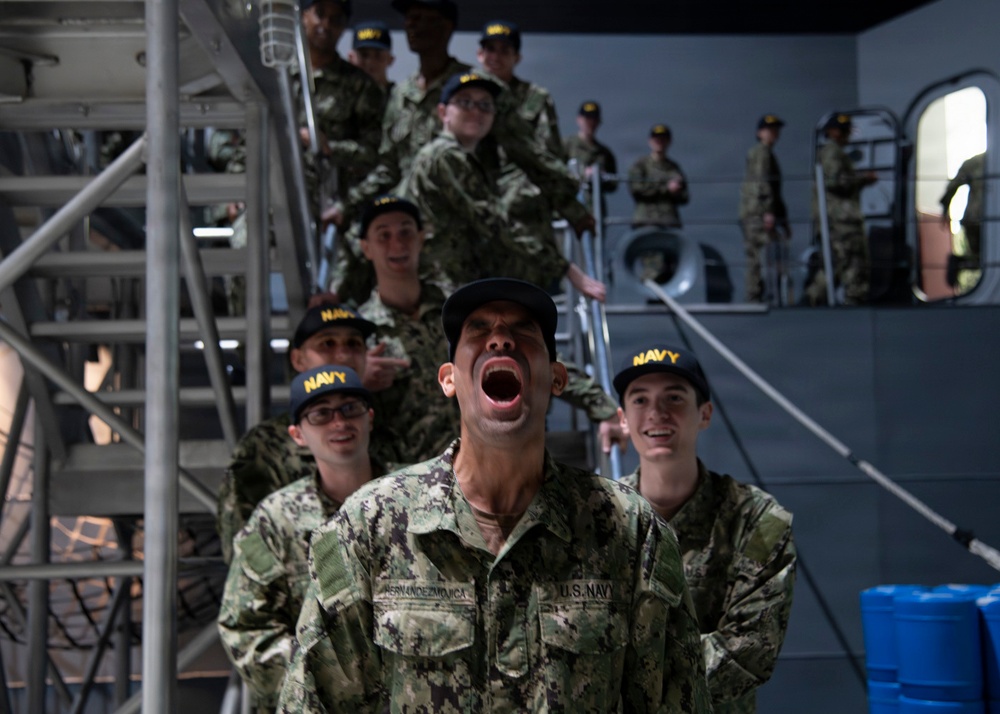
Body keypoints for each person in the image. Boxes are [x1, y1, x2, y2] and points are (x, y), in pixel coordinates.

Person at [278, 278, 713, 712]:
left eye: (524, 331)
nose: (501, 338)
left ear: (558, 378)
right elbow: (314, 701)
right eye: (479, 330)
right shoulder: (370, 525)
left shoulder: (632, 532)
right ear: (448, 380)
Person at [328, 0, 594, 304]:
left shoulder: (475, 91)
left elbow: (530, 156)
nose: (414, 26)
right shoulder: (401, 95)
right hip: (413, 236)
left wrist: (574, 211)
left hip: (464, 240)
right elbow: (388, 168)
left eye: (424, 19)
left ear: (446, 27)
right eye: (410, 19)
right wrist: (346, 207)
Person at [613, 343, 797, 713]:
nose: (656, 413)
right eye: (640, 400)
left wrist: (622, 672)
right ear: (622, 418)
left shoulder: (756, 520)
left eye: (675, 398)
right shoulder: (597, 517)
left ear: (705, 413)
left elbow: (748, 653)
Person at [218, 365, 384, 712]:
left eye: (350, 408)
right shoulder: (276, 519)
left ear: (369, 417)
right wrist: (326, 680)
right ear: (297, 434)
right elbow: (244, 628)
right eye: (321, 414)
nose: (339, 423)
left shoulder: (419, 496)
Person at [215, 303, 403, 562]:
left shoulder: (386, 434)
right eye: (327, 344)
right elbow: (246, 552)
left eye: (353, 344)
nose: (343, 355)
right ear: (298, 359)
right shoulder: (264, 447)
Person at [355, 194, 460, 464]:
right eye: (383, 235)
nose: (397, 243)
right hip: (410, 481)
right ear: (366, 248)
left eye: (405, 232)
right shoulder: (358, 333)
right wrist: (356, 380)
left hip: (480, 466)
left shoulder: (458, 309)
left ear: (421, 238)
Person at [294, 0, 384, 216]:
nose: (326, 24)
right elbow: (248, 140)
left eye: (336, 19)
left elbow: (375, 154)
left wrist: (329, 147)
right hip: (275, 197)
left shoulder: (360, 85)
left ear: (344, 26)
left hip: (331, 211)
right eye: (320, 14)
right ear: (304, 15)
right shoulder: (277, 76)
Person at [808, 112, 877, 305]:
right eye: (842, 130)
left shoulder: (834, 152)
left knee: (837, 263)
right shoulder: (832, 152)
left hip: (839, 220)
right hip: (841, 221)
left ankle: (814, 301)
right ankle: (828, 301)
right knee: (851, 262)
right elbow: (834, 182)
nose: (846, 134)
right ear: (832, 132)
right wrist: (863, 179)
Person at [739, 114, 791, 304]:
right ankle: (754, 297)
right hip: (757, 214)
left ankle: (762, 295)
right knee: (756, 255)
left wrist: (784, 221)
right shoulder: (761, 152)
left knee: (761, 255)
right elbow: (762, 183)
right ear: (760, 133)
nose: (774, 133)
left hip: (758, 213)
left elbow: (776, 192)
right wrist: (767, 212)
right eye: (769, 129)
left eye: (776, 129)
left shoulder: (766, 153)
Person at [628, 123, 689, 229]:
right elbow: (637, 190)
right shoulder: (640, 165)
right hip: (645, 221)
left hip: (669, 221)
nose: (659, 142)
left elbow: (685, 197)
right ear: (650, 141)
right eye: (656, 139)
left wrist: (676, 192)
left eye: (663, 139)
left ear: (669, 141)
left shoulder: (674, 168)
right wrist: (666, 188)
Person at [564, 100, 618, 215]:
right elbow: (553, 170)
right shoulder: (567, 145)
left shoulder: (604, 153)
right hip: (569, 209)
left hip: (595, 210)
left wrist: (601, 177)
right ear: (579, 119)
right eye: (587, 119)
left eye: (594, 119)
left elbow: (614, 184)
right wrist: (583, 173)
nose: (590, 123)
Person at [940, 152, 985, 271]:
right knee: (984, 261)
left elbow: (952, 186)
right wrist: (946, 210)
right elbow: (953, 186)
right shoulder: (977, 162)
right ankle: (961, 262)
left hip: (974, 220)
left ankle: (961, 262)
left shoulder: (976, 161)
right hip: (977, 221)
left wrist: (945, 210)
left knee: (981, 261)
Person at [347, 20, 395, 96]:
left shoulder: (401, 99)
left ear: (390, 59)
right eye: (364, 55)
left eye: (378, 55)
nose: (370, 62)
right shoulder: (338, 96)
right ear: (351, 58)